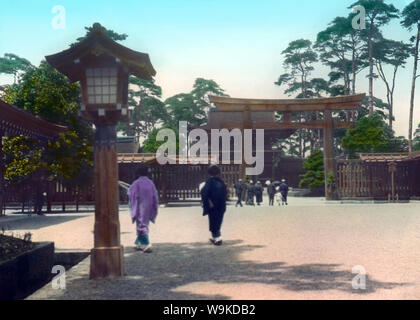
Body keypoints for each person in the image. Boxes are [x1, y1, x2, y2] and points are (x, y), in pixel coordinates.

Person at [128, 165, 159, 252]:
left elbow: (132, 195)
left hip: (139, 206)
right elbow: (155, 196)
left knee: (141, 224)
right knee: (145, 222)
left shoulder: (136, 183)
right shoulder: (150, 183)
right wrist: (154, 207)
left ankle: (146, 244)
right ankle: (138, 243)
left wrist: (133, 209)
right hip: (149, 206)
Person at [200, 165, 227, 246]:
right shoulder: (221, 182)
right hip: (221, 205)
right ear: (218, 173)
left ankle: (218, 238)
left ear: (209, 173)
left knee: (213, 221)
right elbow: (225, 193)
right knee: (219, 220)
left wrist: (205, 203)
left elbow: (204, 192)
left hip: (212, 205)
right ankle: (214, 237)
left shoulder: (209, 182)